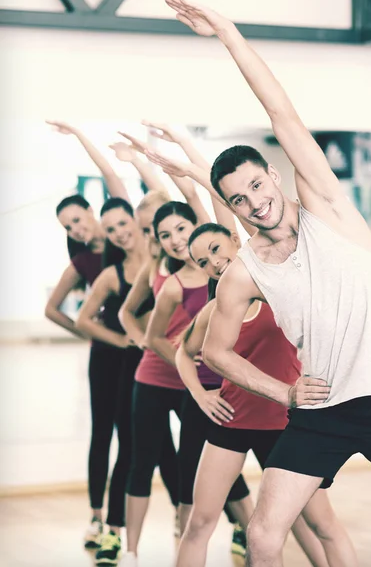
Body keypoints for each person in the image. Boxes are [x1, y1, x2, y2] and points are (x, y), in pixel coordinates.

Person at [164, 0, 371, 567]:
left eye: (257, 186)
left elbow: (281, 113)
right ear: (231, 207)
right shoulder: (245, 270)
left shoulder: (327, 209)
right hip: (322, 410)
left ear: (272, 175)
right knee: (265, 536)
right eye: (238, 200)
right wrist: (283, 393)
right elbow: (214, 350)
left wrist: (228, 34)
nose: (255, 203)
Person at [174, 222, 356, 567]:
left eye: (214, 249)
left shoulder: (279, 290)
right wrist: (200, 395)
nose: (212, 263)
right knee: (199, 522)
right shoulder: (215, 310)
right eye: (202, 261)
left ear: (233, 239)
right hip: (232, 421)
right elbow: (184, 351)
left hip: (287, 425)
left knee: (319, 524)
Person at [118, 201, 250, 567]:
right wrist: (178, 354)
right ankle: (132, 551)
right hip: (164, 380)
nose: (175, 239)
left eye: (181, 229)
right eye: (165, 235)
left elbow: (204, 198)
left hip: (207, 387)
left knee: (207, 467)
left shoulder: (224, 271)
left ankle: (245, 533)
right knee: (151, 463)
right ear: (158, 241)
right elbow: (150, 331)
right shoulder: (169, 280)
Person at [75, 198, 180, 565]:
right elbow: (85, 319)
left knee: (184, 451)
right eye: (111, 230)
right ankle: (114, 533)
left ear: (137, 222)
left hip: (177, 365)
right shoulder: (111, 274)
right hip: (136, 369)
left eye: (123, 225)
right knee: (133, 451)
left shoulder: (163, 261)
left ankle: (199, 525)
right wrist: (124, 339)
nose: (119, 234)